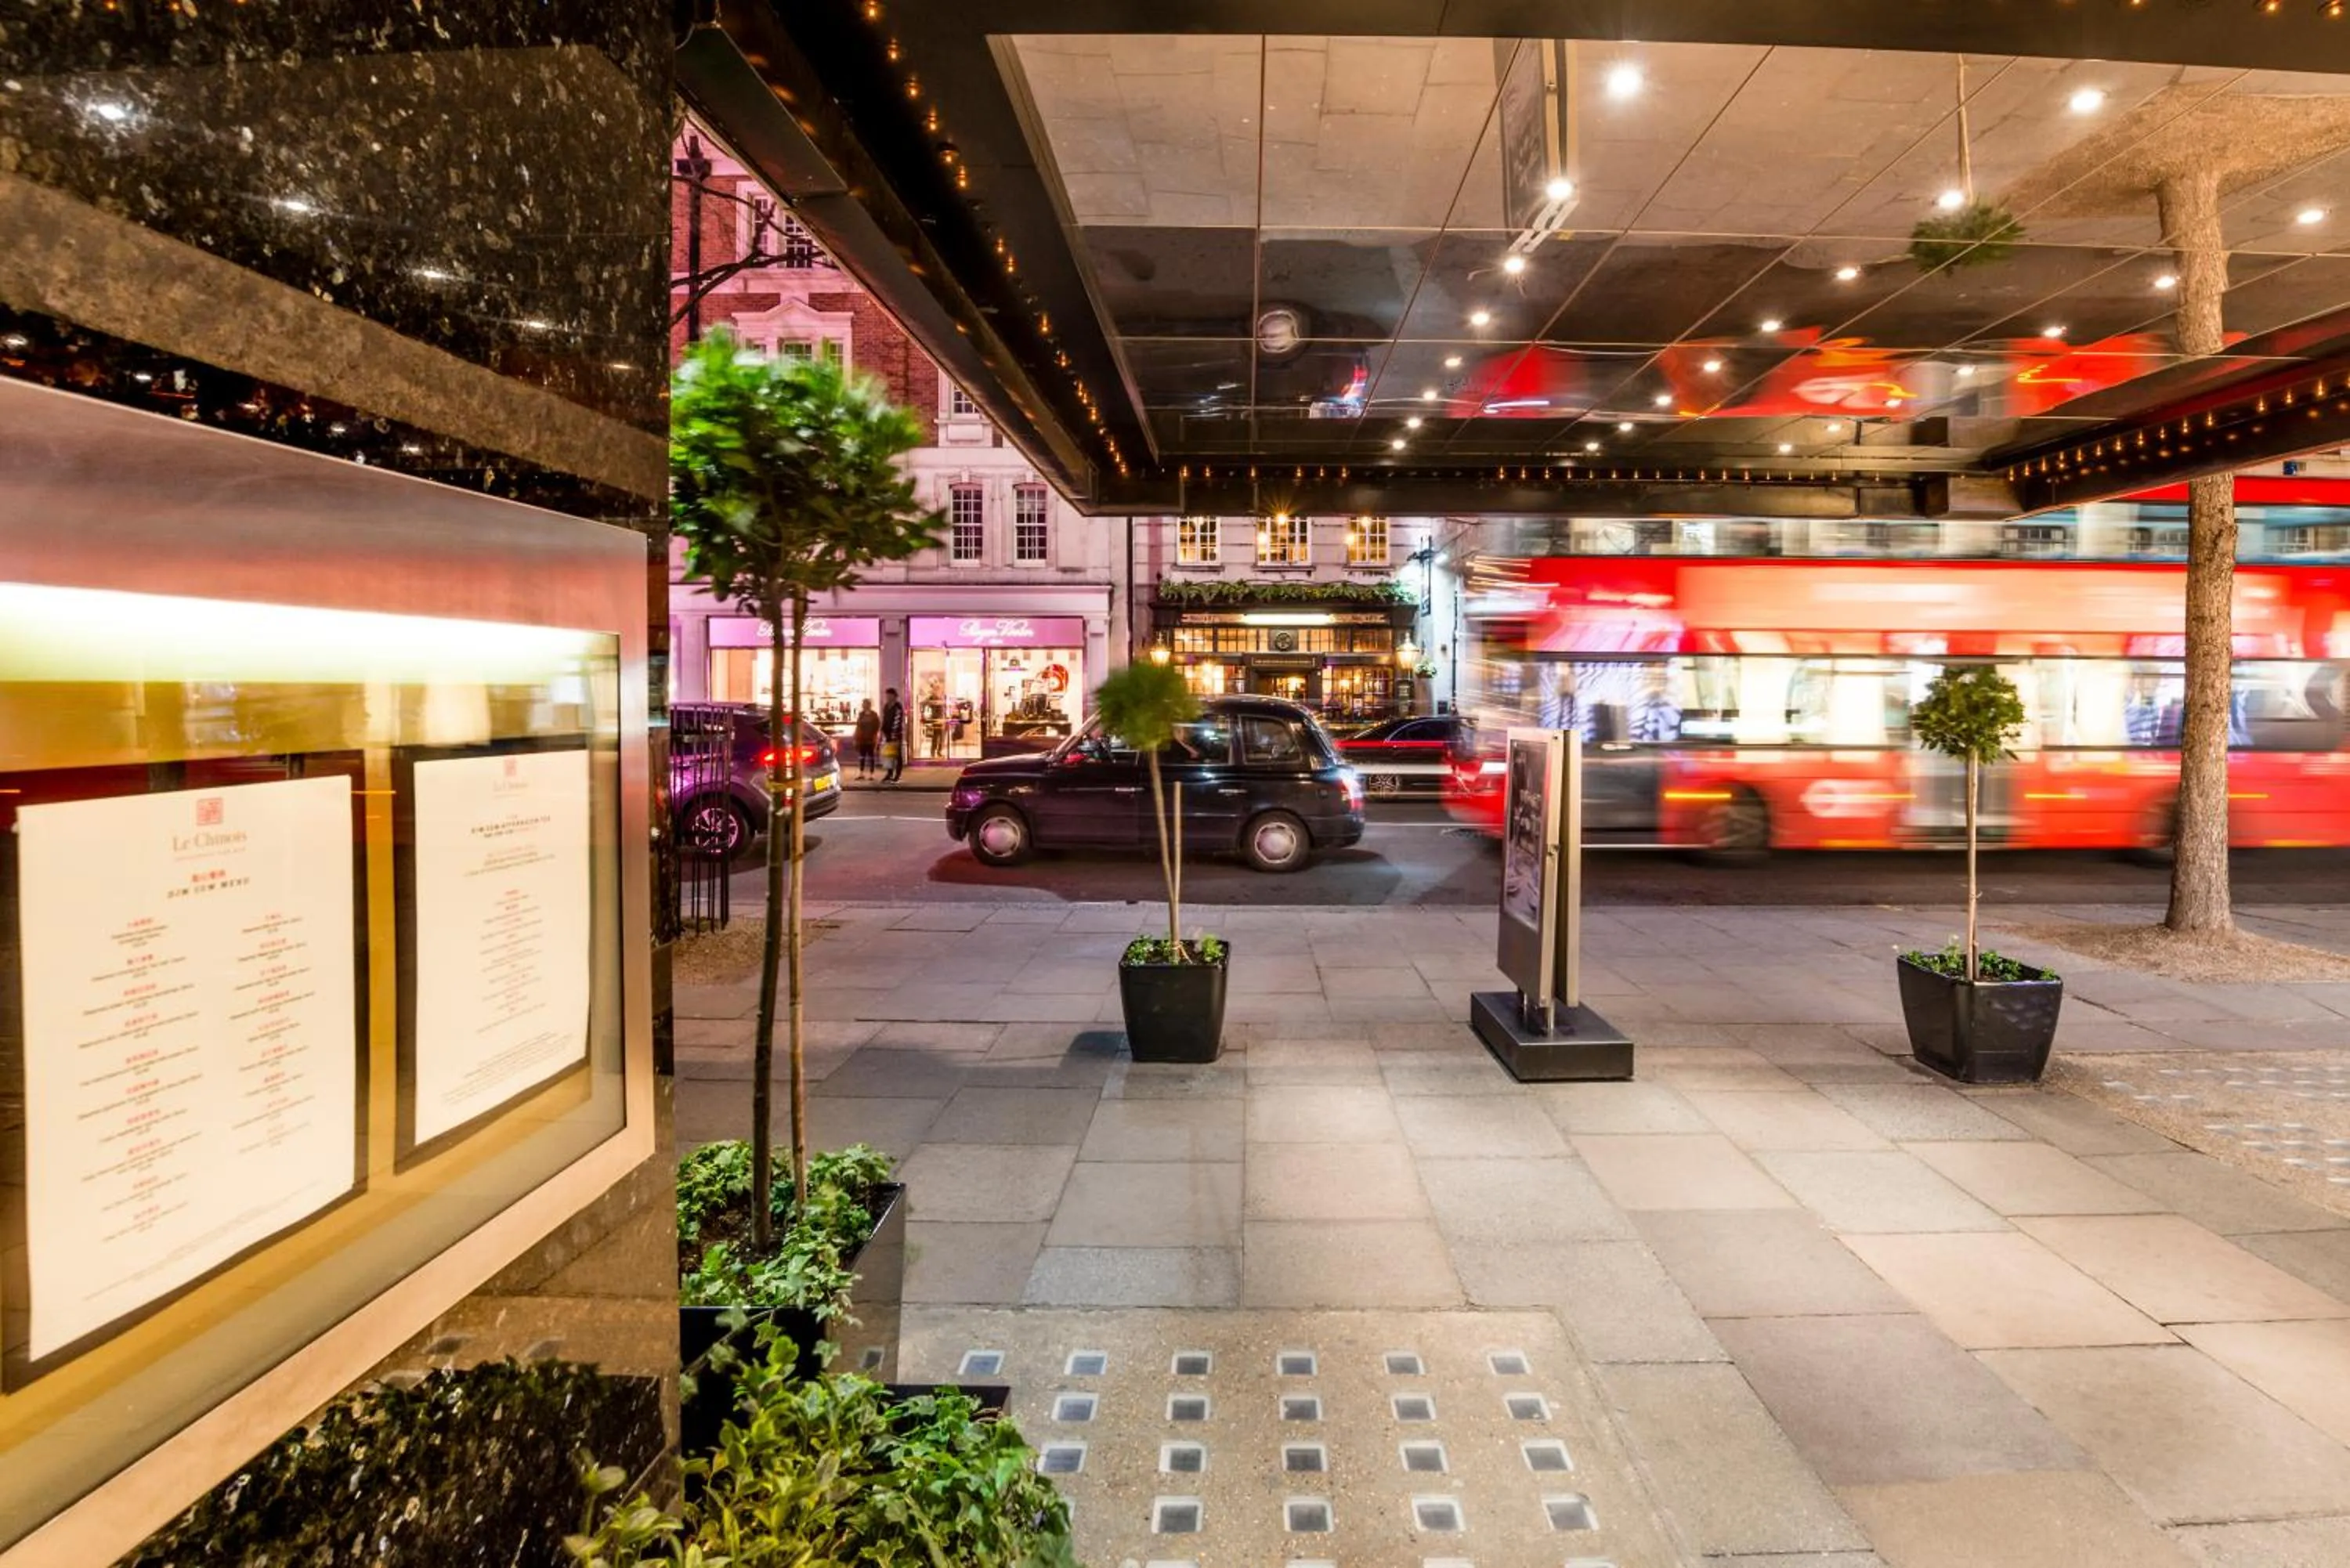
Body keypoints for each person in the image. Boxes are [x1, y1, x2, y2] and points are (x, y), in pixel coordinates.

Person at [880, 687, 906, 782]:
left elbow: (897, 721)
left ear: (894, 696)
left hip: (896, 735)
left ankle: (898, 775)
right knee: (889, 755)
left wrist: (893, 734)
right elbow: (885, 719)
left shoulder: (898, 707)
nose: (887, 697)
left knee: (897, 756)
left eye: (889, 695)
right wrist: (883, 730)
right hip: (887, 735)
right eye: (887, 695)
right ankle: (889, 774)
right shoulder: (887, 706)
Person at [853, 698, 881, 779]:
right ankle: (861, 773)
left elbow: (877, 726)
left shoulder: (874, 715)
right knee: (862, 756)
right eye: (863, 704)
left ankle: (872, 774)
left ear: (869, 705)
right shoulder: (861, 714)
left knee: (871, 756)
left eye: (865, 704)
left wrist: (874, 736)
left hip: (871, 739)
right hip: (862, 739)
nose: (863, 705)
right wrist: (856, 737)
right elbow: (858, 726)